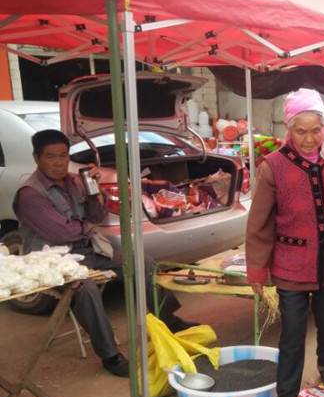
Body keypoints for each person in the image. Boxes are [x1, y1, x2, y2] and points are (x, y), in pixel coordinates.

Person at [13, 130, 193, 378]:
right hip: (53, 260)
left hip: (87, 249)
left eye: (63, 156)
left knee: (143, 262)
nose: (58, 162)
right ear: (37, 158)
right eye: (50, 157)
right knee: (84, 288)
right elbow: (63, 234)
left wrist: (95, 191)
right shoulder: (30, 194)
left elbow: (96, 216)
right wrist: (87, 226)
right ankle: (110, 355)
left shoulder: (76, 181)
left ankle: (167, 318)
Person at [246, 89, 324, 397]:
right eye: (300, 131)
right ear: (288, 131)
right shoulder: (273, 167)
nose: (309, 139)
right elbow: (259, 223)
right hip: (291, 265)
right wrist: (257, 270)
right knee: (292, 334)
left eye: (315, 130)